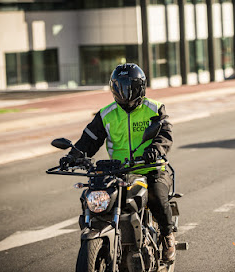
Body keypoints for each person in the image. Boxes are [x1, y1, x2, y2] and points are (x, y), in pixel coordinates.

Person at [59, 63, 175, 262]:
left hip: (150, 168)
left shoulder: (154, 108)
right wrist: (73, 156)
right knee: (94, 197)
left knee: (156, 194)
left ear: (140, 87)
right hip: (118, 172)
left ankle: (167, 236)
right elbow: (89, 140)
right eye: (119, 87)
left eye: (129, 87)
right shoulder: (106, 113)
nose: (124, 92)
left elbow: (165, 134)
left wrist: (155, 150)